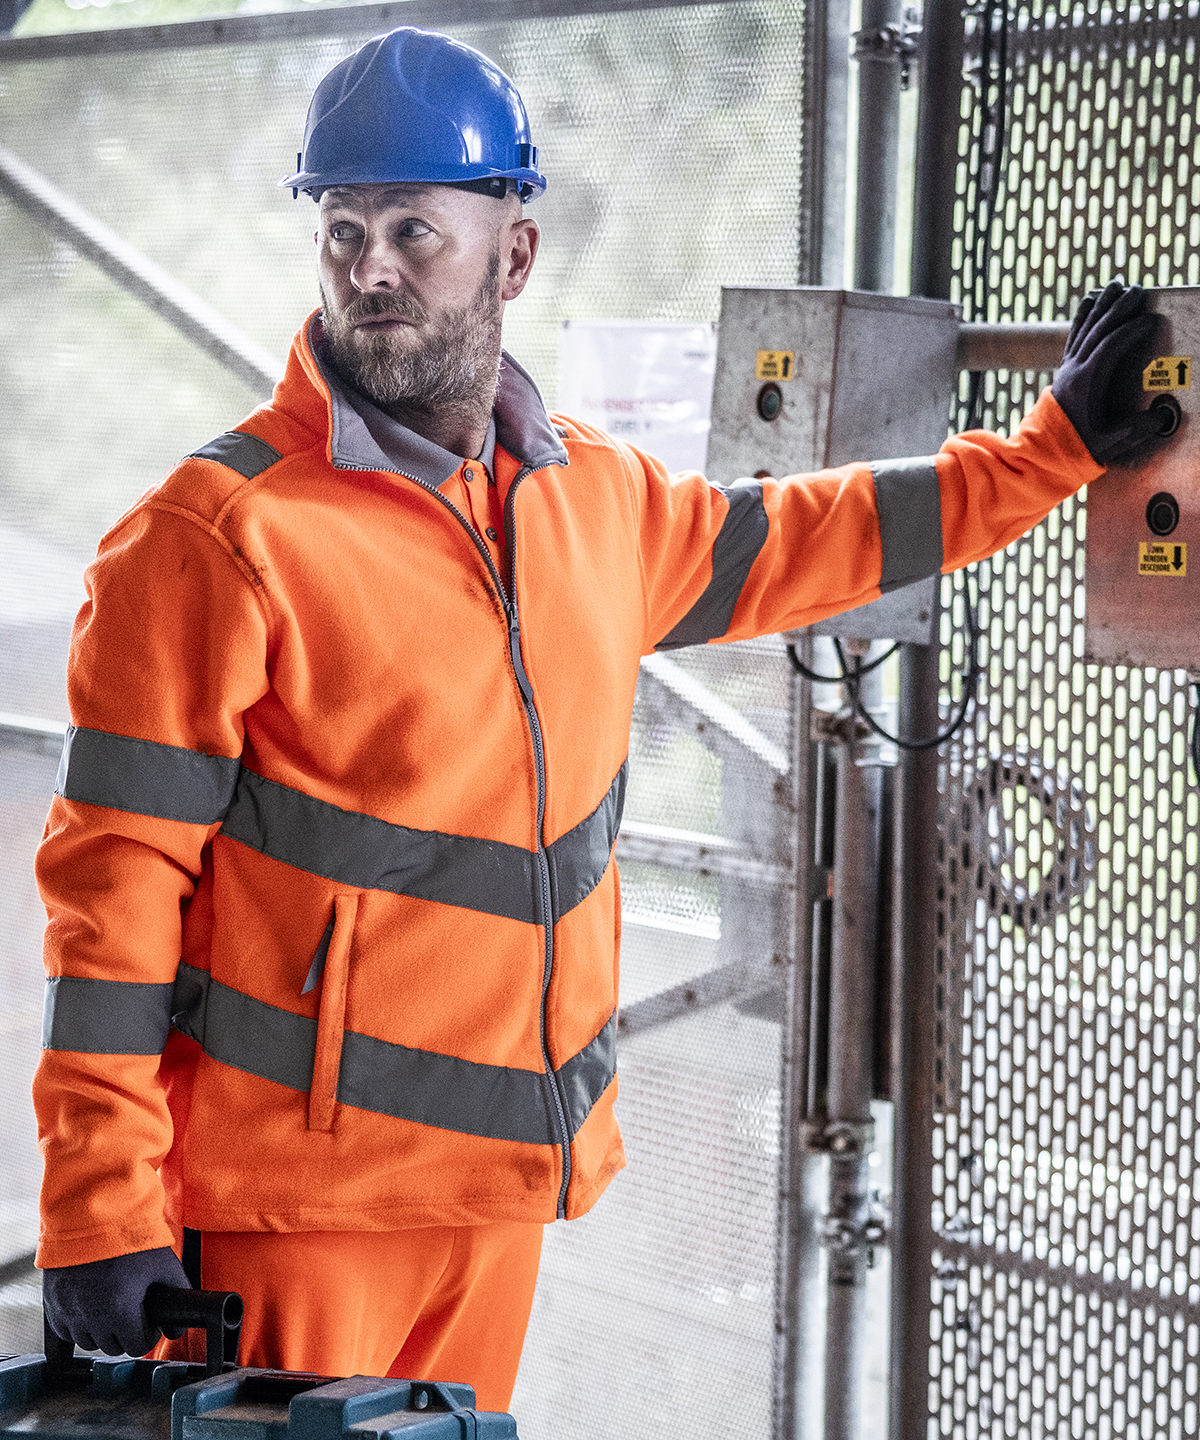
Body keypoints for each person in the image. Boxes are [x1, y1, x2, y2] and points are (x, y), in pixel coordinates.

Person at [33, 24, 1167, 1415]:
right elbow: (113, 889)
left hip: (501, 1199)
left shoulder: (595, 504)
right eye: (341, 233)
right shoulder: (215, 537)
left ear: (513, 255)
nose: (370, 269)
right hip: (290, 1213)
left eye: (411, 231)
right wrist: (98, 1203)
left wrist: (1050, 455)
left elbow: (813, 535)